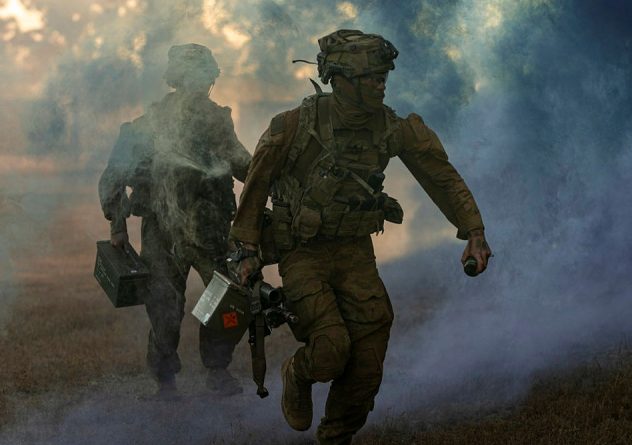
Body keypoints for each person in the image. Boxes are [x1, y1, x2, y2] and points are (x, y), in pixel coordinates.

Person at [227, 29, 491, 444]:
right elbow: (256, 186)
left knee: (367, 362)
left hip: (354, 253)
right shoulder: (294, 126)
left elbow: (440, 175)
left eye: (383, 75)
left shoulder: (391, 127)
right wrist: (245, 249)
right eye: (371, 76)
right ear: (341, 78)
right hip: (303, 254)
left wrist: (473, 231)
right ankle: (297, 371)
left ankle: (336, 436)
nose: (381, 83)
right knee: (332, 349)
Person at [98, 43, 252, 399]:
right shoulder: (148, 124)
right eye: (194, 78)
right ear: (179, 79)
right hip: (162, 230)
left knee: (225, 300)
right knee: (165, 308)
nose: (200, 86)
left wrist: (271, 179)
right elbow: (114, 174)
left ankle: (217, 370)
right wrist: (117, 225)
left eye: (204, 78)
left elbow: (243, 163)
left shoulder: (216, 120)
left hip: (210, 229)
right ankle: (165, 380)